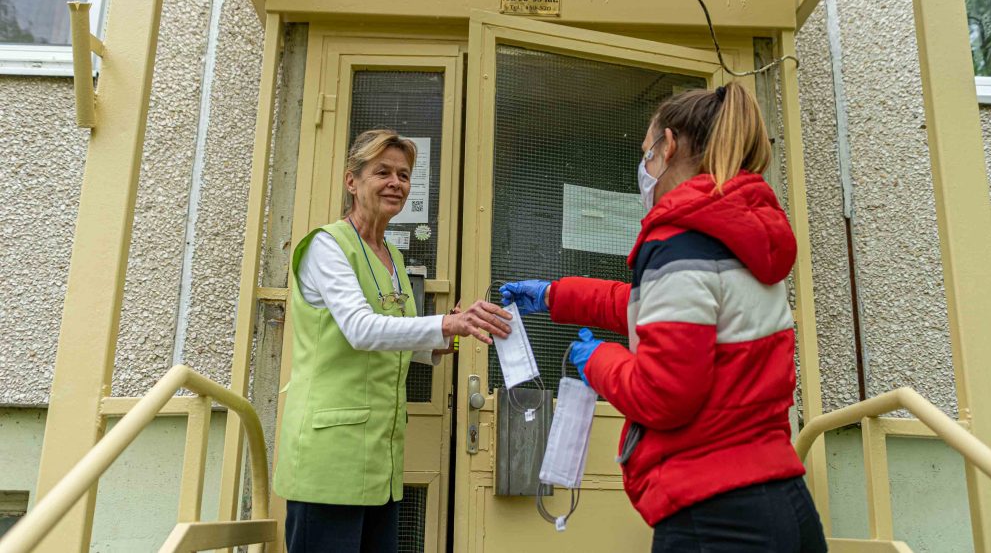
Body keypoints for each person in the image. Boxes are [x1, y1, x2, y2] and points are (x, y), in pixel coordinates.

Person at [501, 83, 827, 552]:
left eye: (646, 154)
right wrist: (555, 296)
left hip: (715, 514)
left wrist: (598, 360)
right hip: (780, 496)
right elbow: (664, 313)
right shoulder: (737, 232)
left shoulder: (681, 241)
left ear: (668, 145)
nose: (645, 167)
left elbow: (664, 394)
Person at [274, 129, 511, 553]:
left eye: (403, 175)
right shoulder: (327, 246)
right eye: (382, 172)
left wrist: (440, 343)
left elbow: (391, 336)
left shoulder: (393, 257)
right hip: (328, 458)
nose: (395, 183)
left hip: (379, 462)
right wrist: (445, 324)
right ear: (352, 181)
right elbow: (361, 329)